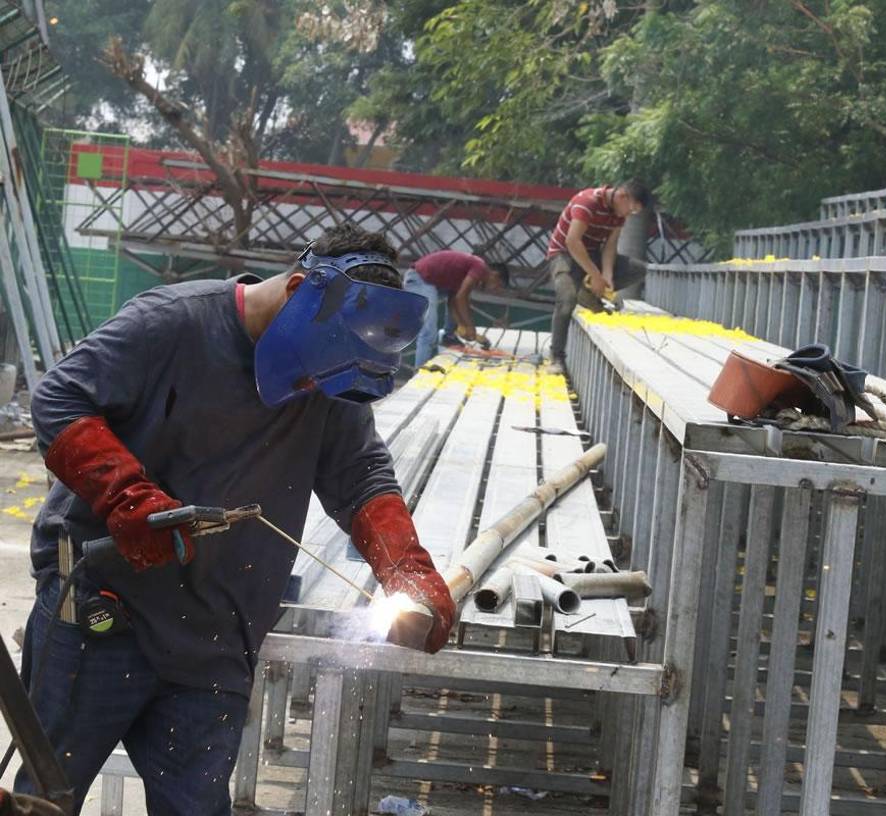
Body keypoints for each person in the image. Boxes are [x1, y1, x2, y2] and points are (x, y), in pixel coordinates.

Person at [17, 223, 457, 816]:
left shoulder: (335, 370)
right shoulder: (171, 323)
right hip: (104, 615)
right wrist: (129, 498)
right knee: (47, 800)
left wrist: (405, 570)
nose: (314, 388)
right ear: (299, 290)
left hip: (217, 635)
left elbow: (361, 477)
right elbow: (59, 399)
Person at [546, 180, 653, 374]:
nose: (629, 215)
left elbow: (610, 247)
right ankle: (556, 357)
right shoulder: (586, 202)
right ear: (622, 196)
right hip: (564, 255)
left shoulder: (618, 214)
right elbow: (572, 241)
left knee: (638, 269)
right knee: (566, 300)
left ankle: (588, 292)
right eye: (631, 210)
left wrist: (607, 276)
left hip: (592, 255)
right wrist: (595, 275)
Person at [402, 250, 506, 366]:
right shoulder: (480, 267)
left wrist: (462, 325)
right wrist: (470, 327)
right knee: (428, 332)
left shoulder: (462, 275)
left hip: (428, 281)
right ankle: (419, 372)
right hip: (419, 279)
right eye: (498, 285)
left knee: (460, 305)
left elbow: (454, 302)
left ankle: (449, 336)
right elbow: (461, 298)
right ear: (495, 275)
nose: (494, 290)